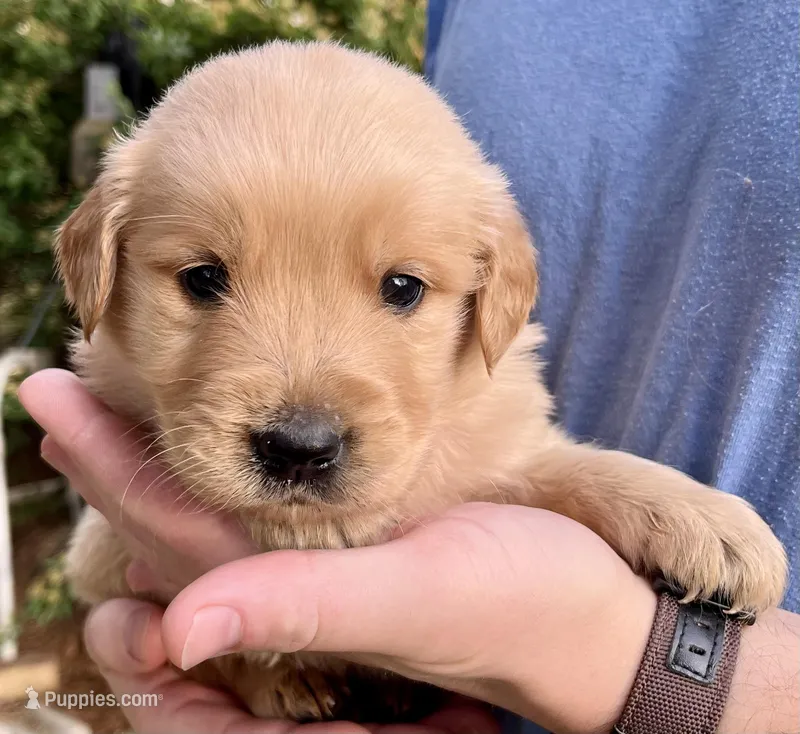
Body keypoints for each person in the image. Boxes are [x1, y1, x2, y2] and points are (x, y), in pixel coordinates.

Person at [19, 0, 799, 731]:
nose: (302, 421)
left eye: (402, 288)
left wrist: (661, 654)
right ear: (99, 265)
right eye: (203, 279)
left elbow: (529, 471)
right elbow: (103, 574)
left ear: (492, 296)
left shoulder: (483, 387)